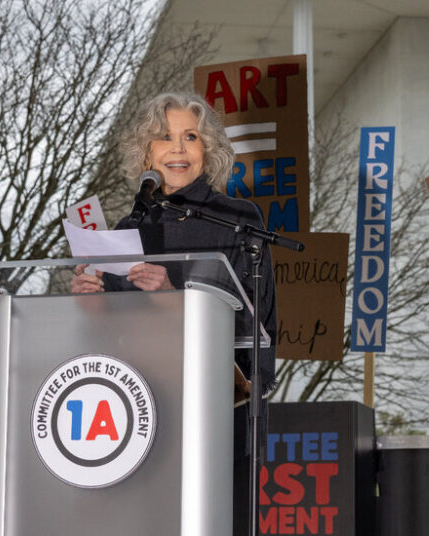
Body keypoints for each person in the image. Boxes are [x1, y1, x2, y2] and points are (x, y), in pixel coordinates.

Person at [70, 92, 275, 534]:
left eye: (190, 137)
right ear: (146, 152)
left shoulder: (239, 218)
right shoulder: (127, 230)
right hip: (136, 411)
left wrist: (170, 295)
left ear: (209, 151)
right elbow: (108, 338)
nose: (177, 149)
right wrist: (89, 302)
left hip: (216, 407)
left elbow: (255, 324)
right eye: (164, 138)